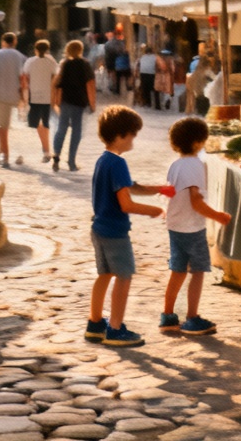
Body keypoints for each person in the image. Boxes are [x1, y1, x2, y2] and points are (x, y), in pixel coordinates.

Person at [86, 105, 163, 347]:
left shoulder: (104, 160)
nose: (134, 139)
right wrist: (153, 210)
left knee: (104, 275)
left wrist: (158, 189)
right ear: (121, 135)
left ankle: (95, 324)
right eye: (133, 134)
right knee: (124, 277)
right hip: (115, 232)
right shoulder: (119, 163)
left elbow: (129, 186)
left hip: (99, 228)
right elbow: (126, 203)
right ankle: (116, 329)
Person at [158, 117, 232, 336]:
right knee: (198, 271)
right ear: (198, 142)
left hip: (175, 224)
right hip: (191, 227)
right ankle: (192, 317)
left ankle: (168, 316)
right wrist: (218, 216)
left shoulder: (176, 164)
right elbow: (196, 201)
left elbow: (171, 193)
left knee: (178, 271)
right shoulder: (196, 165)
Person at [0, 32, 28, 167]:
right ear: (15, 42)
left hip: (0, 95)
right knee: (15, 126)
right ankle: (6, 153)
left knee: (2, 128)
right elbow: (24, 78)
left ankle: (5, 156)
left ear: (3, 41)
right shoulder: (21, 57)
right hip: (17, 96)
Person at [52, 39, 96, 171]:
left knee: (61, 129)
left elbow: (57, 84)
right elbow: (90, 84)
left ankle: (56, 155)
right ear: (80, 50)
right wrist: (92, 103)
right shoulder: (85, 64)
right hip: (79, 102)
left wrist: (56, 101)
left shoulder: (64, 64)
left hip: (65, 101)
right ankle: (71, 162)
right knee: (76, 131)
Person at [22, 39, 57, 165]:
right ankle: (46, 149)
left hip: (34, 96)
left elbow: (25, 79)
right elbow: (55, 77)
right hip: (47, 96)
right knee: (45, 123)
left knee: (36, 123)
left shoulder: (30, 61)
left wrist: (24, 97)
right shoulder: (51, 61)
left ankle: (45, 149)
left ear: (35, 49)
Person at [185, 48, 214, 116]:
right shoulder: (207, 70)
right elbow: (214, 78)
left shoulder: (196, 71)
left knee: (199, 113)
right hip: (204, 95)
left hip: (197, 95)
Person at [104, 29, 131, 95]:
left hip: (109, 60)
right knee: (118, 75)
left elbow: (106, 51)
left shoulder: (108, 43)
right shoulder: (120, 43)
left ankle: (114, 87)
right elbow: (121, 51)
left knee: (113, 75)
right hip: (116, 61)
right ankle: (125, 87)